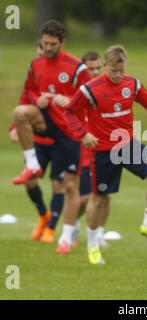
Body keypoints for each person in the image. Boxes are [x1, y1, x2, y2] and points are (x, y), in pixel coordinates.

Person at [65, 45, 147, 264]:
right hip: (103, 151)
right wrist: (83, 134)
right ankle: (93, 244)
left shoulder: (132, 84)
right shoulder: (90, 89)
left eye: (121, 70)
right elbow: (69, 111)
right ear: (105, 66)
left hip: (128, 145)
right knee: (99, 199)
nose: (118, 75)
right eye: (114, 71)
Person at [12, 20, 91, 254]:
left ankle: (65, 237)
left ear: (62, 43)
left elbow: (90, 97)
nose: (47, 48)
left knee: (69, 185)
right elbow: (30, 91)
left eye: (52, 44)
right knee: (21, 112)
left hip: (70, 128)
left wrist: (72, 101)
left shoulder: (77, 67)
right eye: (45, 43)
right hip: (47, 122)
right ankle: (32, 164)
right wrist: (38, 100)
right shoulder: (35, 65)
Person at [10, 39, 65, 242]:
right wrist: (15, 128)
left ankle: (51, 229)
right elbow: (23, 104)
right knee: (30, 182)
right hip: (38, 141)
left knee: (58, 184)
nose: (42, 55)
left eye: (46, 51)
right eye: (39, 52)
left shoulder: (62, 75)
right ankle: (43, 215)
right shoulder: (33, 77)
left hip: (59, 139)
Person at [71, 50, 116, 247]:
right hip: (83, 150)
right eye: (91, 69)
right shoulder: (79, 93)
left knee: (105, 195)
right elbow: (68, 115)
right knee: (83, 199)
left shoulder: (108, 89)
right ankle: (71, 224)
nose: (96, 72)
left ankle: (98, 233)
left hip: (104, 149)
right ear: (83, 70)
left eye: (99, 67)